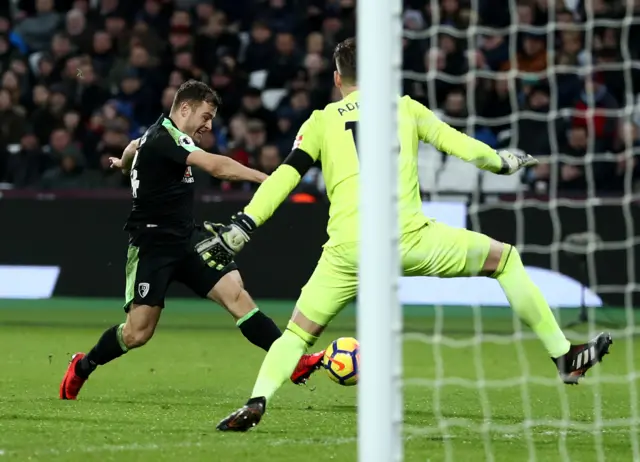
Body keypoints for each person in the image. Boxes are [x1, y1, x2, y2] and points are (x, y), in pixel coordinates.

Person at [212, 39, 613, 431]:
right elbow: (462, 146)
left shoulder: (321, 120)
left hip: (347, 252)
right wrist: (502, 163)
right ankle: (564, 356)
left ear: (337, 78)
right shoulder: (404, 108)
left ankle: (257, 399)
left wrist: (246, 223)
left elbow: (286, 176)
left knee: (297, 334)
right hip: (408, 239)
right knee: (504, 258)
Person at [59, 80, 323, 400]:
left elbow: (132, 148)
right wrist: (269, 180)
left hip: (189, 239)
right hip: (152, 245)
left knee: (237, 297)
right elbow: (216, 167)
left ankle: (292, 362)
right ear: (185, 108)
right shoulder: (164, 138)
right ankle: (83, 366)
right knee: (137, 332)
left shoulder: (153, 136)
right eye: (206, 116)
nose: (209, 126)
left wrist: (122, 164)